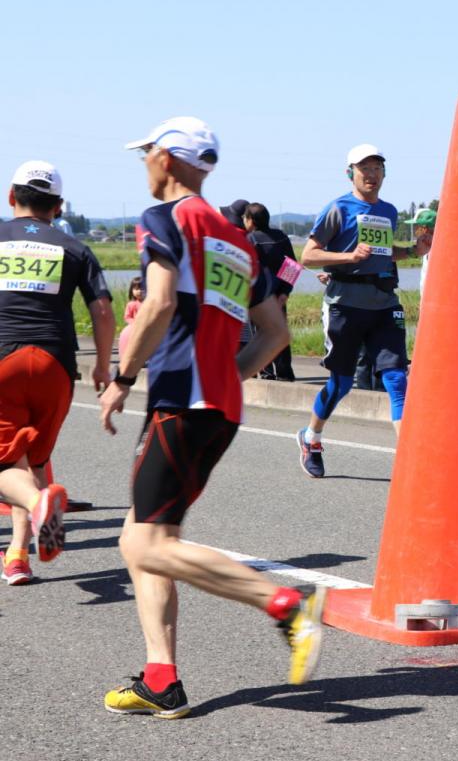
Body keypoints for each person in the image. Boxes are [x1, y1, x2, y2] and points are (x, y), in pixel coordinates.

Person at [99, 116, 324, 718]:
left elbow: (158, 303)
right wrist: (227, 374)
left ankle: (285, 604)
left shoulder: (166, 218)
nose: (144, 163)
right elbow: (275, 334)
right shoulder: (237, 238)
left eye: (148, 153)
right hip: (219, 406)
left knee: (145, 543)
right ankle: (161, 679)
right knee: (147, 538)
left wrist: (122, 379)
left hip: (181, 401)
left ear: (168, 159)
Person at [0, 160, 114, 584]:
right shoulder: (74, 247)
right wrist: (102, 366)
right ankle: (17, 556)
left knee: (5, 467)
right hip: (56, 364)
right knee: (35, 458)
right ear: (59, 206)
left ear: (11, 197)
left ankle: (37, 505)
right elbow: (103, 310)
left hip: (4, 358)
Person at [297, 144, 417, 477]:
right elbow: (308, 256)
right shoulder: (337, 208)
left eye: (377, 168)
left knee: (396, 378)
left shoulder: (389, 211)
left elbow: (384, 251)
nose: (371, 175)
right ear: (350, 173)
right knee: (341, 384)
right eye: (364, 169)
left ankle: (411, 460)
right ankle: (311, 438)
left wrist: (412, 250)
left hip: (384, 304)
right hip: (344, 305)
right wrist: (348, 257)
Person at [243, 202, 299, 381]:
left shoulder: (251, 239)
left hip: (260, 298)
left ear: (250, 220)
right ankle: (285, 373)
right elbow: (292, 265)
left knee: (261, 336)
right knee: (279, 333)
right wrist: (285, 292)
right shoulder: (281, 236)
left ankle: (267, 374)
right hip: (279, 296)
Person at [118, 275, 144, 358]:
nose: (139, 291)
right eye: (136, 289)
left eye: (142, 289)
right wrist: (134, 323)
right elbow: (127, 317)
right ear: (131, 290)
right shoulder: (131, 304)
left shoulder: (149, 304)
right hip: (135, 328)